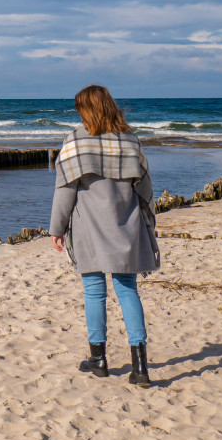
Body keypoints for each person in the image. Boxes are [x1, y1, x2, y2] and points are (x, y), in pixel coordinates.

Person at [49, 85, 159, 387]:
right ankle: (140, 366)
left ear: (85, 110)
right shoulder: (131, 142)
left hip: (90, 229)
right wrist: (149, 218)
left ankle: (98, 359)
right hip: (126, 225)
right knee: (128, 291)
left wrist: (57, 228)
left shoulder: (74, 142)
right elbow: (145, 188)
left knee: (94, 291)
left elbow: (65, 190)